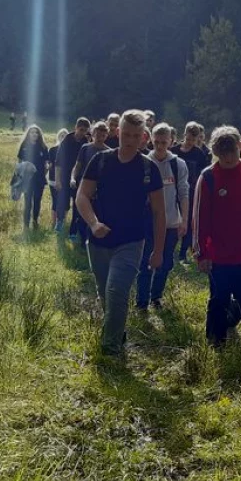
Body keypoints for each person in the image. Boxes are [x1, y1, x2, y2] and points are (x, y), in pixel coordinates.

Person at [75, 109, 166, 356]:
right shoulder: (101, 161)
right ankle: (117, 330)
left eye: (136, 136)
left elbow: (159, 212)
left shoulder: (149, 169)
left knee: (117, 290)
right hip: (98, 240)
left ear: (144, 137)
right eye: (126, 134)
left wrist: (158, 251)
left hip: (131, 242)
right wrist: (93, 223)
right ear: (118, 132)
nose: (130, 140)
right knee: (105, 293)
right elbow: (82, 196)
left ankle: (110, 349)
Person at [192, 126, 241, 348]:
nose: (228, 158)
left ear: (240, 147)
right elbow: (199, 217)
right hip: (219, 253)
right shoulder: (208, 177)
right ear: (216, 153)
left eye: (232, 152)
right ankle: (215, 341)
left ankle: (231, 319)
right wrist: (202, 253)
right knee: (219, 297)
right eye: (222, 154)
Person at [136, 123, 189, 311]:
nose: (159, 146)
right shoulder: (143, 162)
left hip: (171, 222)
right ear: (151, 140)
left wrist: (184, 219)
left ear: (171, 141)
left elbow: (183, 193)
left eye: (163, 142)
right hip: (147, 222)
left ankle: (156, 297)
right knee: (144, 261)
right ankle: (141, 301)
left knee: (165, 263)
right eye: (156, 142)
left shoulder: (178, 164)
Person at [71, 121, 111, 241]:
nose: (100, 138)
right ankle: (78, 235)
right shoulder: (85, 148)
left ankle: (92, 238)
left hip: (99, 189)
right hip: (83, 186)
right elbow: (77, 166)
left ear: (106, 136)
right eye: (98, 135)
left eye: (103, 136)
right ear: (92, 134)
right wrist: (73, 178)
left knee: (95, 214)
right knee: (79, 212)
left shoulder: (109, 152)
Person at [177, 122, 209, 263]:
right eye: (188, 139)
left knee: (189, 222)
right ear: (184, 136)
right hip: (173, 190)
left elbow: (204, 173)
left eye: (193, 140)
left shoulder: (199, 154)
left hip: (191, 192)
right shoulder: (174, 151)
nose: (190, 143)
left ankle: (183, 253)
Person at [55, 118, 90, 234]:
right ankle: (60, 221)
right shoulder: (67, 139)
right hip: (65, 175)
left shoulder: (86, 141)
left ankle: (73, 230)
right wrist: (57, 180)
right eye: (81, 129)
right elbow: (58, 161)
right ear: (76, 127)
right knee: (64, 202)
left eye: (85, 130)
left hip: (78, 177)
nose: (82, 133)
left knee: (77, 203)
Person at [16, 125, 48, 230]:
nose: (34, 134)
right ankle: (26, 225)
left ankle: (35, 221)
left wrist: (44, 172)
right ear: (28, 134)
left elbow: (46, 164)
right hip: (27, 180)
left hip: (39, 179)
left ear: (39, 135)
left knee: (37, 201)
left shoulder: (43, 147)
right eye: (32, 132)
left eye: (36, 132)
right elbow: (19, 163)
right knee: (28, 202)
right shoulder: (24, 146)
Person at [48, 130, 66, 228]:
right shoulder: (52, 149)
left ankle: (62, 221)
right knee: (55, 201)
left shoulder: (69, 150)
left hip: (65, 180)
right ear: (58, 137)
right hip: (53, 179)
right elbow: (50, 165)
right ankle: (54, 222)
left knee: (63, 201)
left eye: (65, 135)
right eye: (61, 135)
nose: (63, 137)